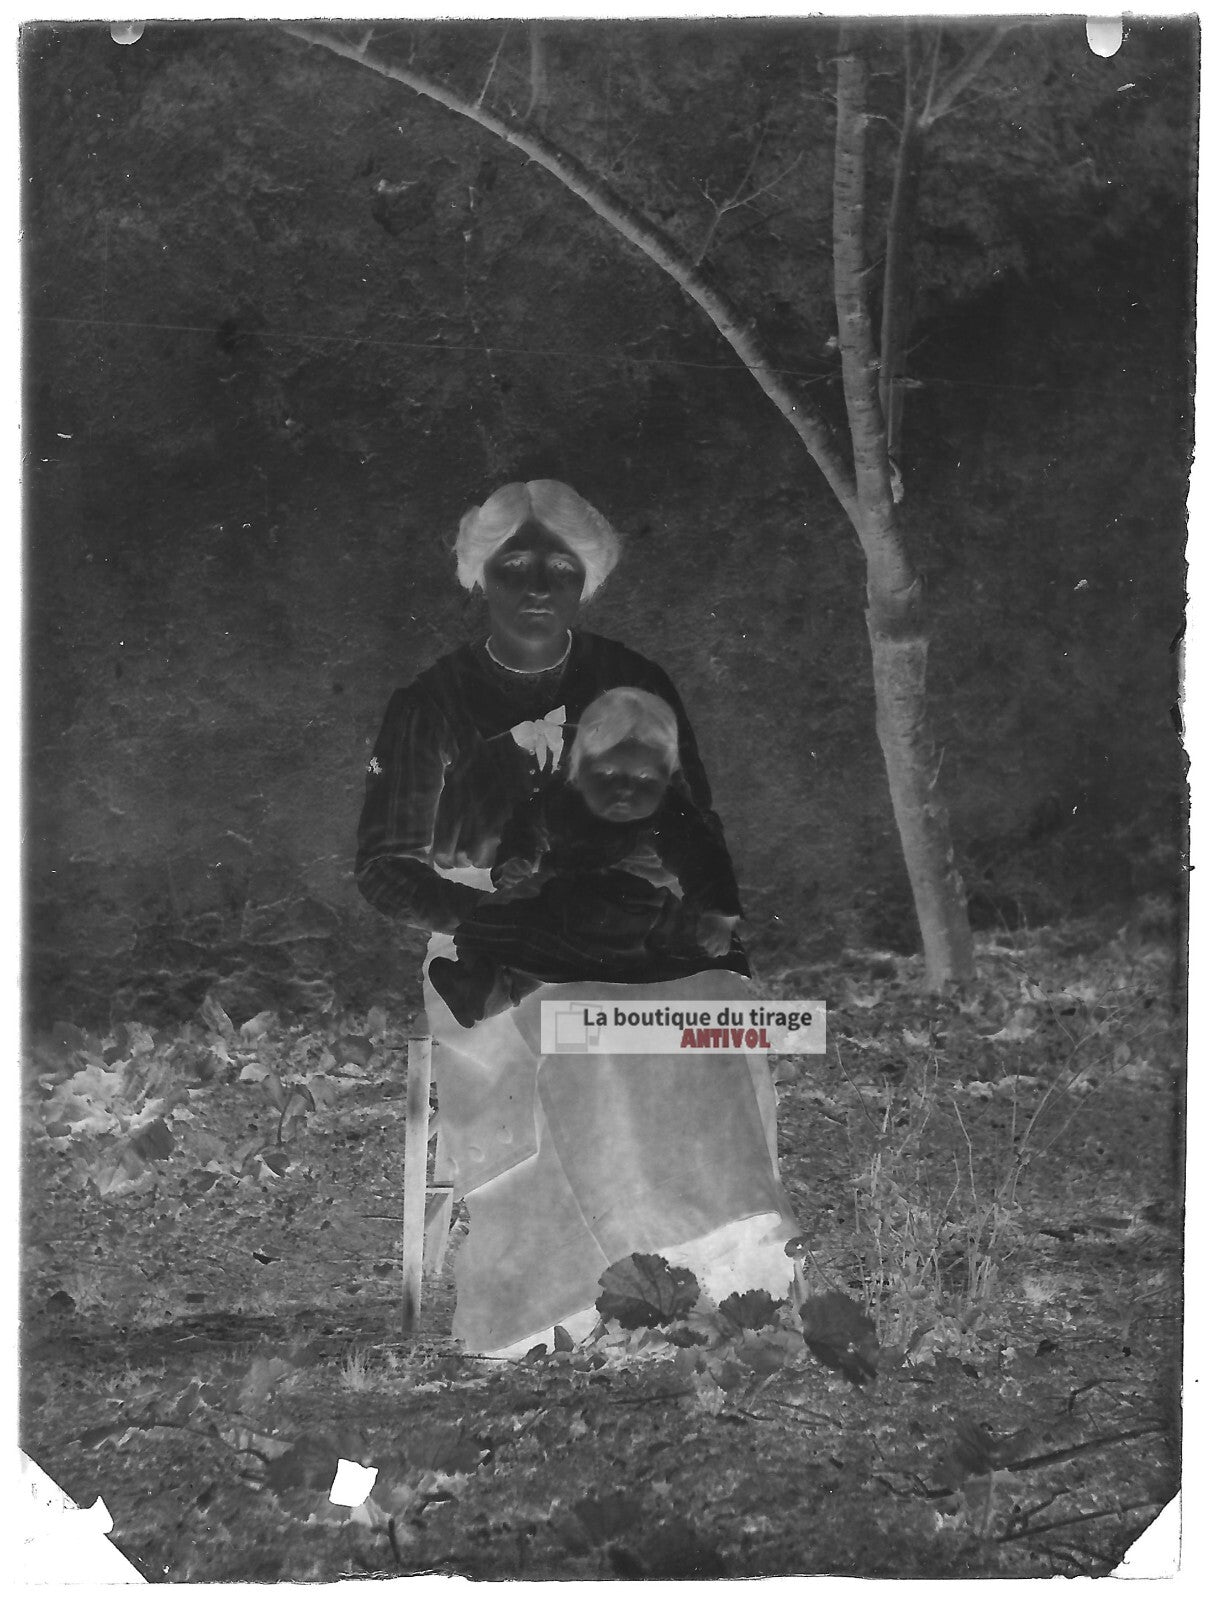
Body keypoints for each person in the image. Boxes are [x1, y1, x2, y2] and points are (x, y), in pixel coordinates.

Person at [356, 479, 797, 1357]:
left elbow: (692, 831)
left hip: (633, 930)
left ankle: (719, 1265)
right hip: (493, 940)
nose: (535, 585)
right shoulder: (431, 702)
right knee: (574, 1025)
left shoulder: (634, 682)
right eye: (514, 563)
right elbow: (383, 867)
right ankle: (586, 1301)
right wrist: (487, 918)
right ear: (479, 574)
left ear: (584, 579)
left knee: (706, 999)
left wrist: (703, 927)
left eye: (558, 565)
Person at [427, 686, 746, 1027]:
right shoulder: (564, 796)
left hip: (621, 904)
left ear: (665, 775)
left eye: (644, 776)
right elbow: (527, 823)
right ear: (580, 768)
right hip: (554, 891)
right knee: (492, 920)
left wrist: (717, 912)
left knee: (572, 951)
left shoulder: (665, 810)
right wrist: (516, 859)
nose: (625, 787)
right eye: (608, 773)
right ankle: (477, 981)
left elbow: (701, 854)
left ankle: (502, 988)